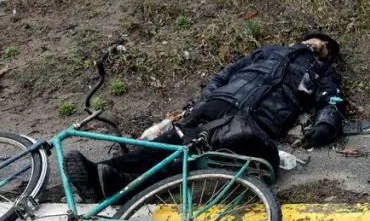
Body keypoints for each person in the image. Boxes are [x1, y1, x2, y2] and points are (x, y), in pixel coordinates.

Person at [63, 32, 344, 202]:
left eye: (324, 49)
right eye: (317, 42)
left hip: (258, 118)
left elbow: (331, 100)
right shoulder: (269, 51)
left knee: (199, 156)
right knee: (171, 142)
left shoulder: (322, 71)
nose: (318, 47)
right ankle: (100, 172)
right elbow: (227, 73)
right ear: (304, 39)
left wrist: (325, 124)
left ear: (326, 57)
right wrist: (210, 95)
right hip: (220, 102)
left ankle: (121, 183)